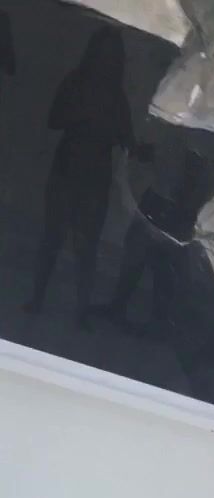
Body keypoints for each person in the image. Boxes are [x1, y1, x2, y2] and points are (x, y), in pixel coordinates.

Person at [25, 28, 139, 327]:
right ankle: (39, 298)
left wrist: (137, 147)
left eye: (111, 55)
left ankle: (80, 311)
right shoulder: (75, 83)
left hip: (95, 176)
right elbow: (54, 119)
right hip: (67, 168)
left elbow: (126, 138)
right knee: (53, 237)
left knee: (86, 246)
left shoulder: (115, 96)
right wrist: (82, 116)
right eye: (103, 52)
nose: (106, 60)